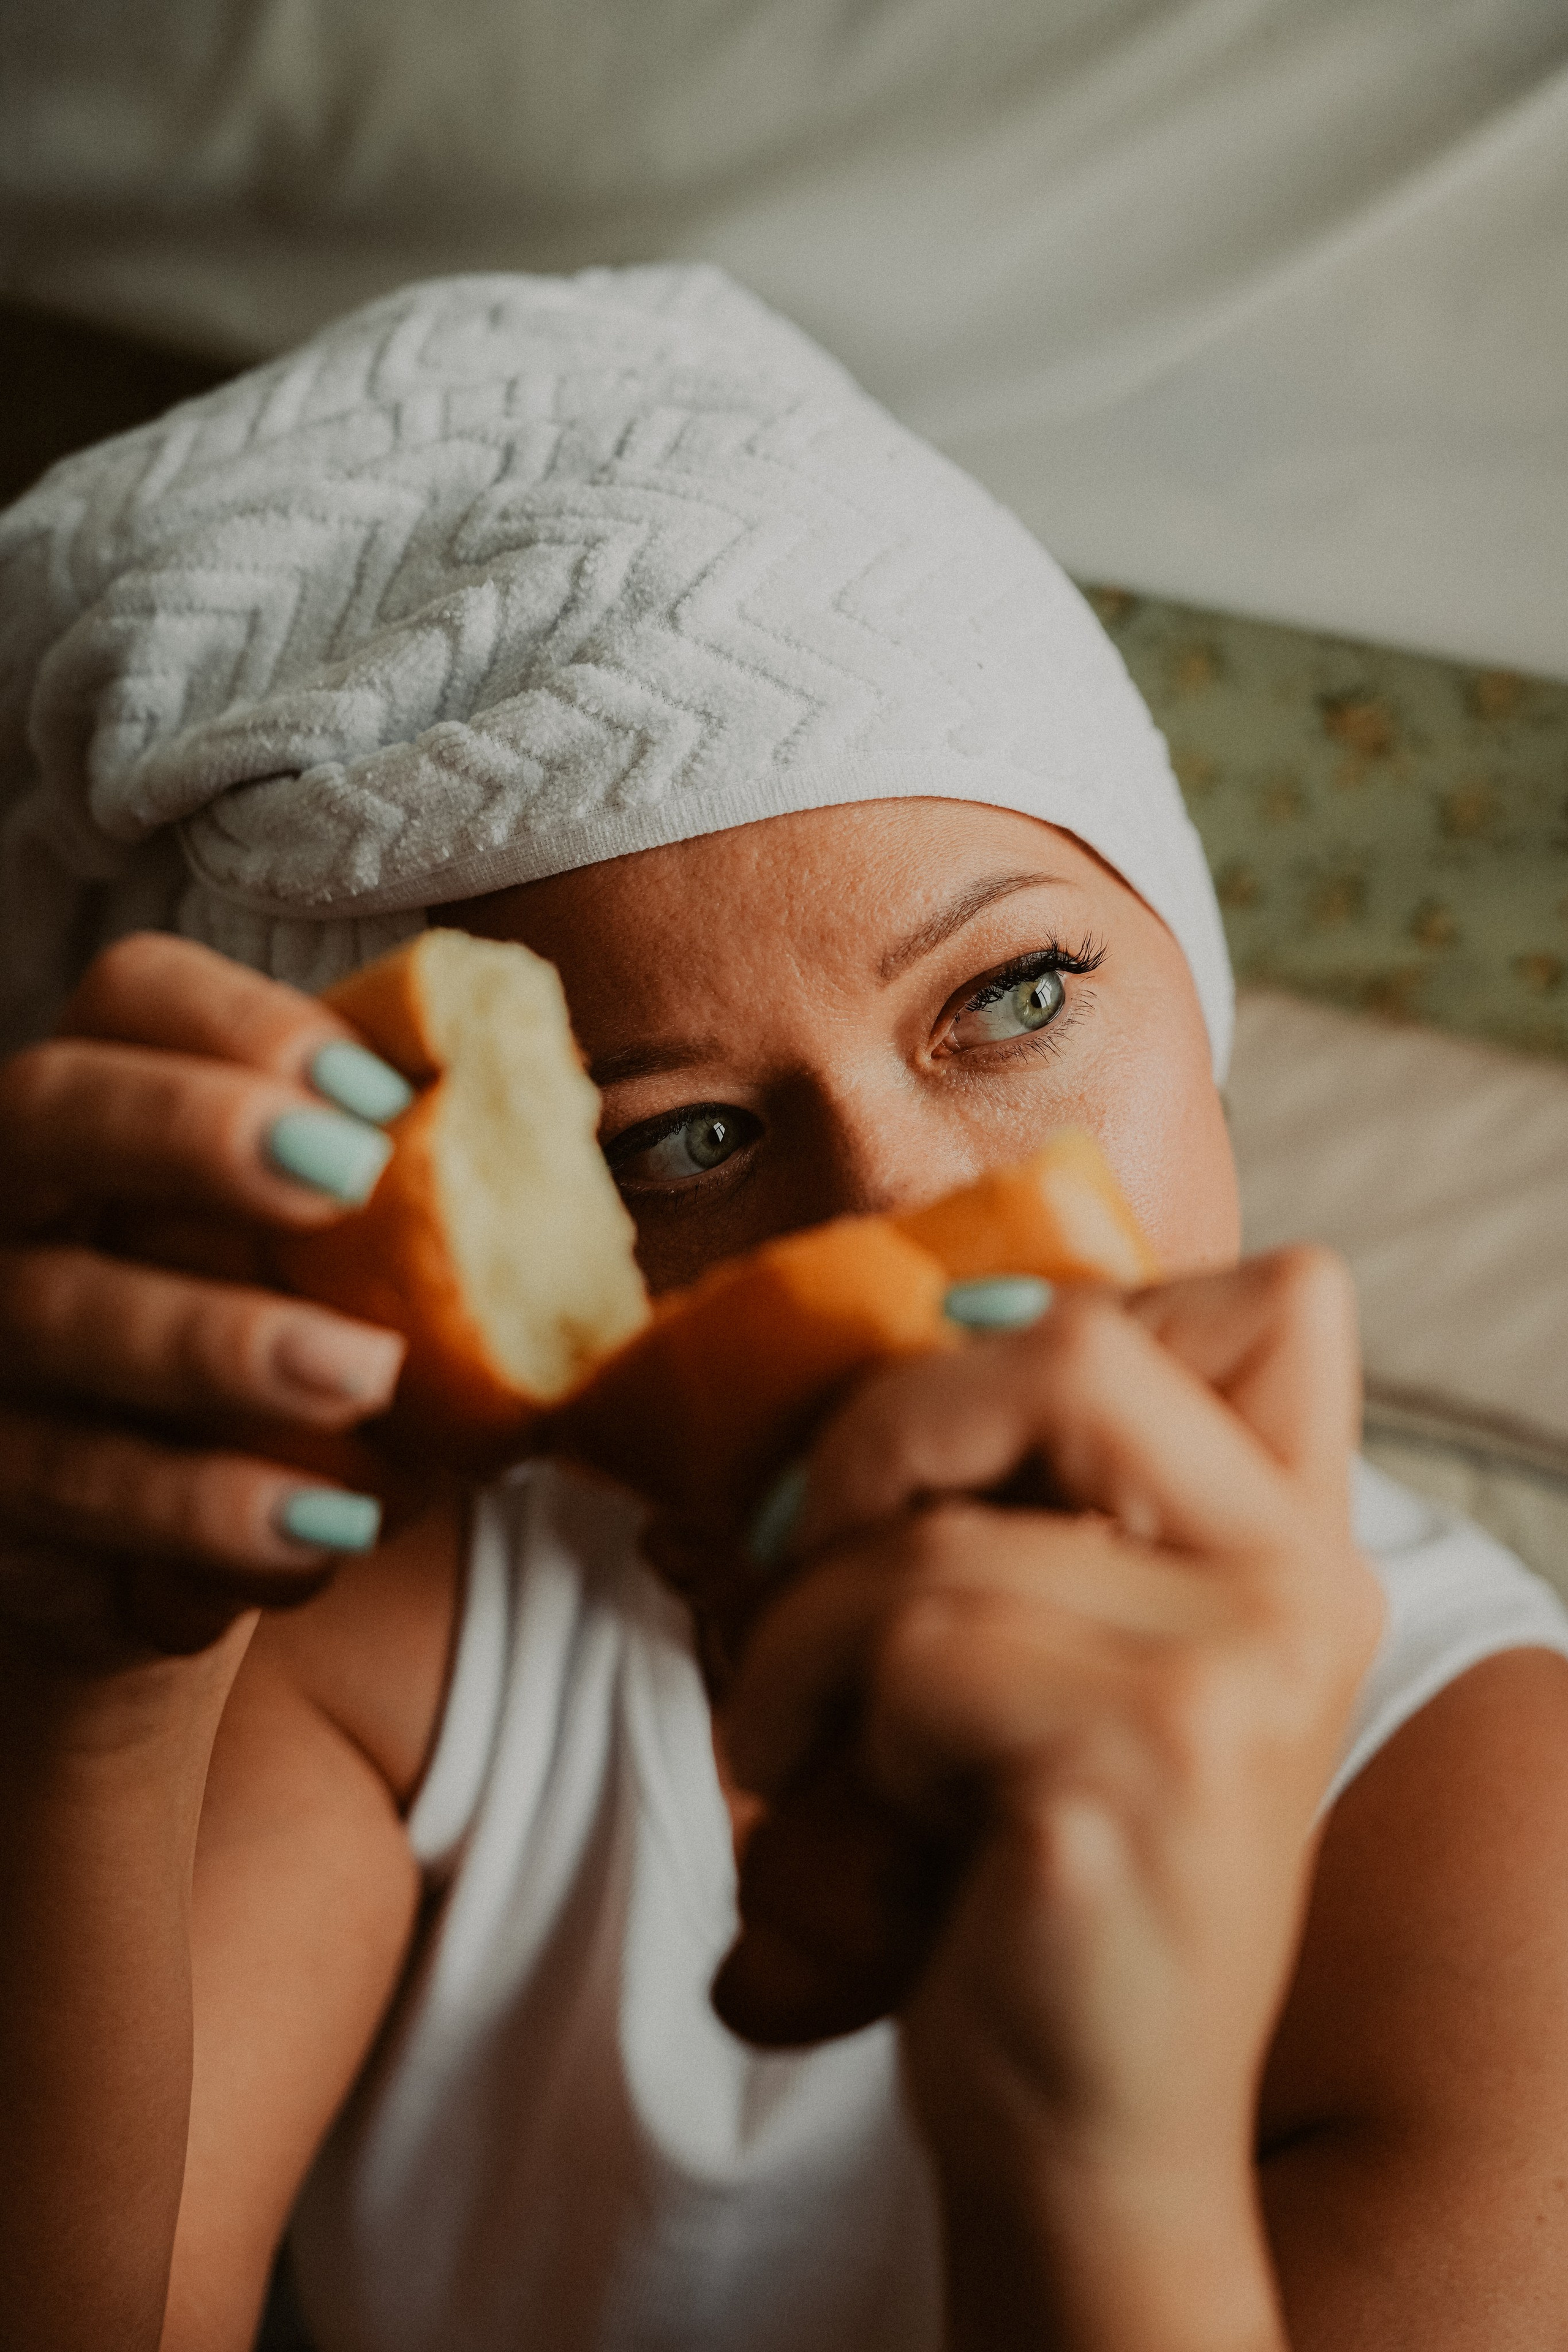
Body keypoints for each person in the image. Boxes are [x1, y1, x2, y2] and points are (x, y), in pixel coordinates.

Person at [4, 269, 1568, 2352]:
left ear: (1192, 976)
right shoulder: (395, 1631)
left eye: (1014, 1000)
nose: (922, 1219)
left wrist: (1091, 2152)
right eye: (682, 1147)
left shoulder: (1484, 1808)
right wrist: (84, 1714)